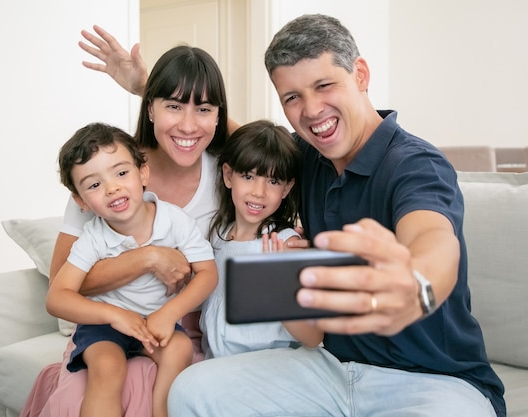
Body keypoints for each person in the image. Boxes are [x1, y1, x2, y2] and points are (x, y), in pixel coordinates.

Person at [165, 13, 506, 417]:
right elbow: (249, 149)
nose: (311, 110)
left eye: (324, 85)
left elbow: (433, 239)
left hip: (431, 381)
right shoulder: (308, 156)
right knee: (192, 390)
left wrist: (418, 285)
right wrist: (158, 93)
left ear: (360, 74)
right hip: (328, 370)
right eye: (292, 97)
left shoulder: (415, 165)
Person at [20, 43, 233, 417]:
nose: (188, 124)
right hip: (106, 326)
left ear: (219, 116)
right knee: (98, 382)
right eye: (172, 105)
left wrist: (150, 85)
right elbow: (62, 286)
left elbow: (277, 150)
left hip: (178, 330)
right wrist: (148, 258)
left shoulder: (229, 175)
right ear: (150, 109)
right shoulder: (105, 171)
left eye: (204, 109)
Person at [48, 122, 218, 417]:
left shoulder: (174, 221)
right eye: (94, 185)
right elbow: (57, 298)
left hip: (154, 321)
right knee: (107, 368)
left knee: (179, 349)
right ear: (81, 201)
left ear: (143, 173)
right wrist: (115, 315)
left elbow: (208, 274)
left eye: (121, 173)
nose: (112, 188)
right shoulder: (93, 237)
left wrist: (169, 313)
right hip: (104, 326)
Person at [201, 119, 323, 358]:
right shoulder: (219, 236)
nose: (259, 192)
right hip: (217, 366)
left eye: (273, 181)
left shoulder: (286, 245)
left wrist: (278, 287)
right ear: (228, 176)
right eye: (248, 176)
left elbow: (313, 336)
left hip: (267, 366)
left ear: (286, 189)